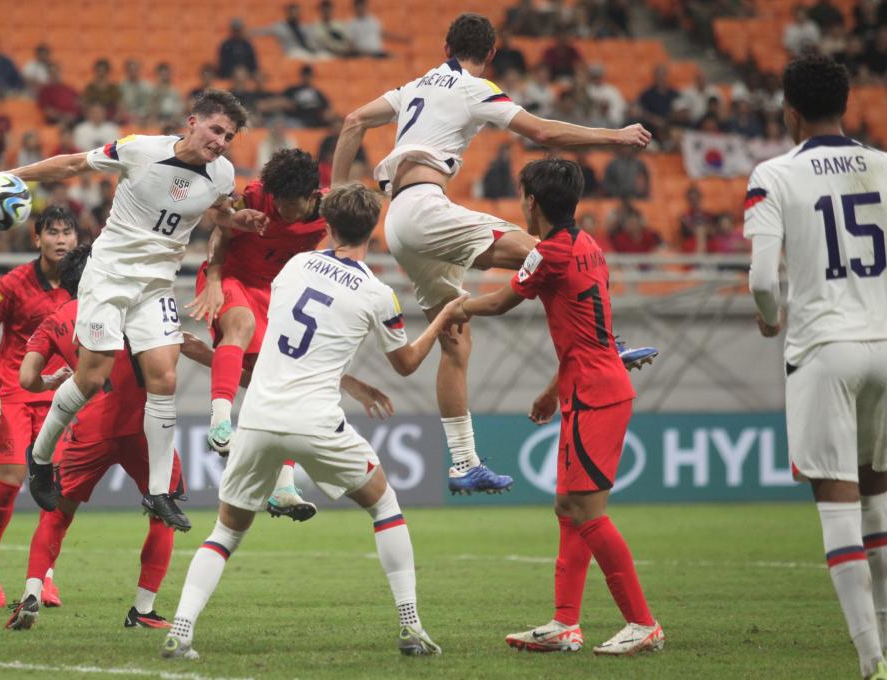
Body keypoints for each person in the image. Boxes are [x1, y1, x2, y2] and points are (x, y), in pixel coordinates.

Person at [331, 12, 653, 496]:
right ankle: (608, 345)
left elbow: (353, 120)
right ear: (493, 53)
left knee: (456, 343)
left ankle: (463, 462)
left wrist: (338, 194)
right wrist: (615, 137)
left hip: (399, 220)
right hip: (425, 208)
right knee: (550, 249)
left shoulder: (415, 85)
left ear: (446, 47)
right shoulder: (473, 87)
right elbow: (541, 133)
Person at [161, 183, 456, 661]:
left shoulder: (293, 268)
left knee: (226, 532)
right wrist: (443, 318)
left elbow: (288, 342)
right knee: (385, 507)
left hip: (256, 416)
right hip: (316, 420)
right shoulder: (379, 294)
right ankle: (411, 627)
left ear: (329, 226)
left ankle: (180, 630)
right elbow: (405, 364)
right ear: (373, 229)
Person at [5, 90, 263, 533]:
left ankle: (159, 491)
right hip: (108, 277)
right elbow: (71, 164)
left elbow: (220, 211)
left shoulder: (221, 174)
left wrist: (239, 220)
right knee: (89, 378)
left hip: (157, 284)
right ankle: (42, 457)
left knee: (164, 376)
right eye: (216, 130)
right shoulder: (139, 150)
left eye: (229, 136)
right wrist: (12, 175)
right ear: (192, 122)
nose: (221, 141)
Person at [443, 158, 663, 656]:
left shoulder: (550, 252)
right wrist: (551, 390)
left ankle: (643, 623)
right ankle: (565, 623)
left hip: (595, 393)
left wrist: (457, 306)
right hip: (587, 382)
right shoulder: (589, 246)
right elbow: (587, 334)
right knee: (568, 508)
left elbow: (500, 302)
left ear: (532, 202)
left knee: (588, 513)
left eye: (523, 196)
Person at [745, 53, 887, 680]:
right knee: (880, 500)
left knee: (838, 504)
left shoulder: (774, 174)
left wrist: (771, 315)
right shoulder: (885, 167)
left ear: (790, 111)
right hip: (885, 340)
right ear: (848, 105)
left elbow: (760, 279)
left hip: (825, 349)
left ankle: (870, 661)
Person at [4, 245, 184, 630]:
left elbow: (26, 378)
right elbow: (179, 350)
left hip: (89, 430)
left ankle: (32, 593)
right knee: (163, 513)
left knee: (56, 513)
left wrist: (50, 381)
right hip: (142, 428)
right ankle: (144, 610)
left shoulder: (56, 319)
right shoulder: (134, 306)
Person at [191, 149, 327, 518]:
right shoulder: (254, 194)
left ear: (313, 196)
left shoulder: (328, 215)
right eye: (278, 202)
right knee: (241, 326)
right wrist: (216, 275)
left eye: (290, 204)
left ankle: (283, 488)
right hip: (229, 277)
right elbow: (218, 225)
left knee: (277, 385)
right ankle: (220, 420)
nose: (281, 211)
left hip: (273, 293)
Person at [0, 206, 78, 609]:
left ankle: (44, 575)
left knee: (59, 491)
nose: (61, 239)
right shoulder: (13, 283)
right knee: (13, 478)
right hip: (14, 389)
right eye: (53, 232)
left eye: (68, 232)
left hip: (61, 396)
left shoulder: (82, 283)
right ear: (37, 239)